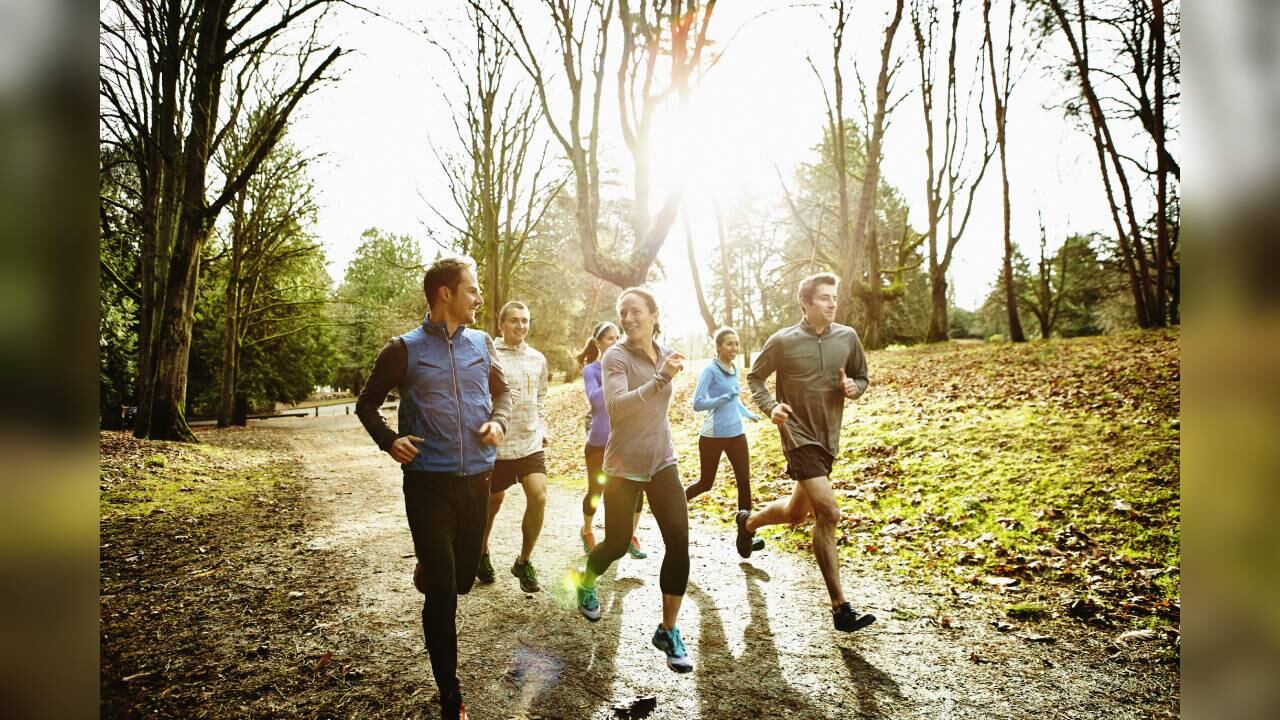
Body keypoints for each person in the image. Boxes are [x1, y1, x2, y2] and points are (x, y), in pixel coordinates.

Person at [355, 256, 511, 720]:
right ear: (445, 293)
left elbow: (502, 393)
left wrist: (498, 422)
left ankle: (434, 567)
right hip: (428, 485)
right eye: (472, 290)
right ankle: (451, 695)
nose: (479, 298)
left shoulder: (482, 344)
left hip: (477, 478)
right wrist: (390, 440)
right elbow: (366, 405)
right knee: (443, 595)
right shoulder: (402, 349)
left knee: (461, 580)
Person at [742, 272, 877, 633]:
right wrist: (771, 407)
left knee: (795, 513)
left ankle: (748, 523)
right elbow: (755, 378)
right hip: (797, 434)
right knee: (828, 512)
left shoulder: (847, 337)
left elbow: (863, 377)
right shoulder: (783, 341)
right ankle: (840, 608)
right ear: (805, 302)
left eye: (834, 297)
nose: (832, 303)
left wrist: (854, 387)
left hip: (828, 438)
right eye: (824, 298)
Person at [571, 288, 694, 673]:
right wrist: (660, 379)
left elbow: (660, 404)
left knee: (679, 541)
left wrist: (666, 374)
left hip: (662, 461)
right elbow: (617, 408)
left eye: (636, 311)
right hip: (623, 466)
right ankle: (587, 580)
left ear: (654, 315)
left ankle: (668, 629)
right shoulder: (615, 356)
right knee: (619, 544)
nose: (628, 318)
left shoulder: (665, 351)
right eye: (623, 313)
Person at [476, 301, 549, 592]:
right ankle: (481, 553)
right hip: (497, 445)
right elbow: (475, 396)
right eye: (514, 321)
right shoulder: (488, 355)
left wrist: (542, 427)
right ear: (502, 324)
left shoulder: (538, 358)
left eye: (525, 320)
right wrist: (498, 401)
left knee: (539, 495)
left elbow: (541, 397)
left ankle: (524, 561)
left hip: (530, 442)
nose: (520, 326)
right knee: (491, 504)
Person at [685, 326, 766, 558]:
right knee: (706, 483)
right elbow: (698, 403)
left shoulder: (734, 367)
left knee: (744, 482)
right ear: (719, 347)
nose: (734, 348)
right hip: (712, 436)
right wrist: (722, 399)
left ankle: (746, 536)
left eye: (736, 343)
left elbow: (734, 399)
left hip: (736, 434)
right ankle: (675, 506)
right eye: (729, 344)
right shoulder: (710, 371)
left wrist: (748, 413)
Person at [575, 321, 646, 559]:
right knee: (597, 491)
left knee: (636, 491)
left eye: (618, 337)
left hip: (626, 440)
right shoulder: (591, 371)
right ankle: (587, 530)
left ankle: (630, 537)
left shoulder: (628, 367)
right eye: (609, 339)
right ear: (598, 343)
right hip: (599, 442)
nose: (615, 342)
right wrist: (610, 371)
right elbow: (596, 401)